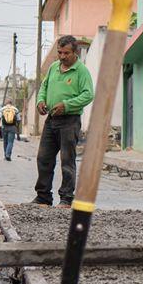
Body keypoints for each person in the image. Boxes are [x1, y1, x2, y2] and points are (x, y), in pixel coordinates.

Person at [35, 35, 93, 204]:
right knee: (43, 158)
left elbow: (88, 95)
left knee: (67, 160)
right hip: (51, 120)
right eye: (59, 52)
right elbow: (43, 88)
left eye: (66, 53)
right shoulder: (53, 67)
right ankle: (43, 196)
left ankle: (66, 198)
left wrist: (67, 105)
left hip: (70, 121)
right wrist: (40, 101)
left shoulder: (81, 71)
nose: (62, 56)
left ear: (74, 53)